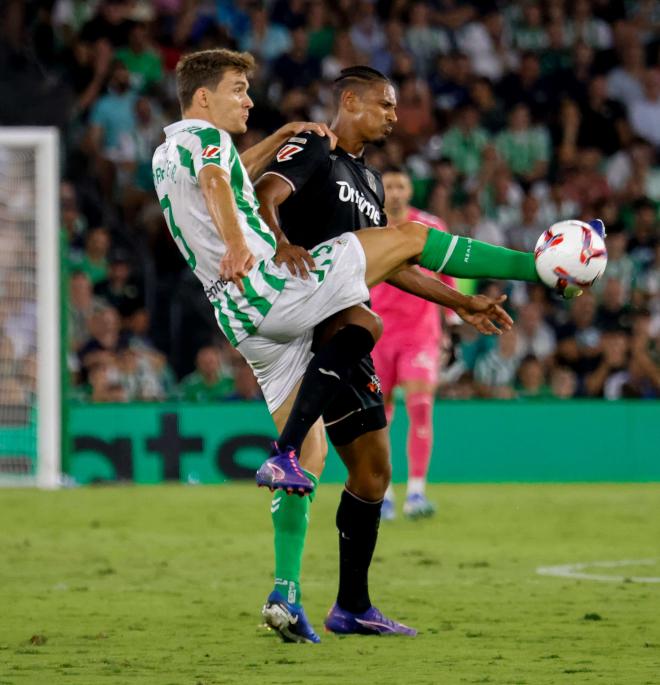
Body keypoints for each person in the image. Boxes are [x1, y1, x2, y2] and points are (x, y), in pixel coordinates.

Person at [152, 49, 585, 643]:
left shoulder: (358, 179)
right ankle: (535, 265)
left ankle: (295, 596)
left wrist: (459, 302)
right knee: (379, 298)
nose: (393, 115)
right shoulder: (299, 147)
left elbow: (234, 177)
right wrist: (249, 239)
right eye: (239, 90)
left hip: (250, 316)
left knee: (353, 468)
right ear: (350, 101)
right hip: (289, 291)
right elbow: (236, 188)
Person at [367, 167, 455, 519]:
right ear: (380, 190)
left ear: (410, 190)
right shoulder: (367, 225)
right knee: (378, 416)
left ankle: (416, 492)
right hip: (376, 333)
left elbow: (449, 275)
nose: (396, 191)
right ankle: (384, 494)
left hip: (420, 333)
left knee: (420, 407)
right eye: (390, 185)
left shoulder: (431, 227)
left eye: (401, 185)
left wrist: (451, 323)